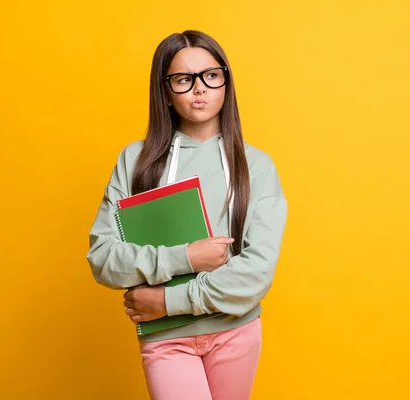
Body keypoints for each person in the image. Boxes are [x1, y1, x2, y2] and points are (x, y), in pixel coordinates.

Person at [86, 30, 288, 400]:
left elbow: (257, 272)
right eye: (183, 79)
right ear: (165, 91)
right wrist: (186, 256)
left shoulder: (256, 166)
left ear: (226, 82)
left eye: (211, 75)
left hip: (236, 332)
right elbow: (102, 259)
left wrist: (167, 301)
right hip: (167, 338)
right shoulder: (136, 161)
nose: (200, 89)